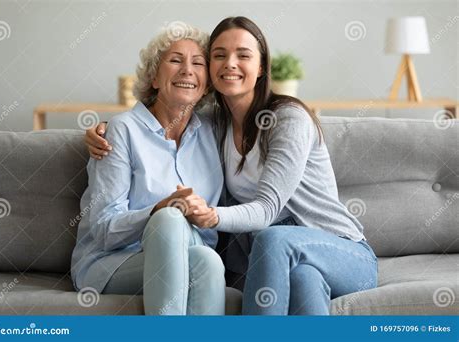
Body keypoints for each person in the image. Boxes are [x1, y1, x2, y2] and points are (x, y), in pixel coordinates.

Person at [85, 16, 378, 315]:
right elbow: (163, 117)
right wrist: (111, 128)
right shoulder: (215, 125)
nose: (230, 63)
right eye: (220, 55)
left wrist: (211, 216)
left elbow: (266, 210)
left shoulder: (289, 119)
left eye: (244, 55)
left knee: (273, 238)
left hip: (341, 250)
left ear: (261, 66)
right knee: (303, 279)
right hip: (290, 262)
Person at [71, 23, 226, 315]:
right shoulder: (122, 131)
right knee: (169, 219)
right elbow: (104, 229)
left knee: (208, 261)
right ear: (154, 77)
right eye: (176, 60)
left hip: (191, 251)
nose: (187, 70)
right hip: (113, 261)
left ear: (207, 82)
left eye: (198, 63)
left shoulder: (215, 133)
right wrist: (158, 210)